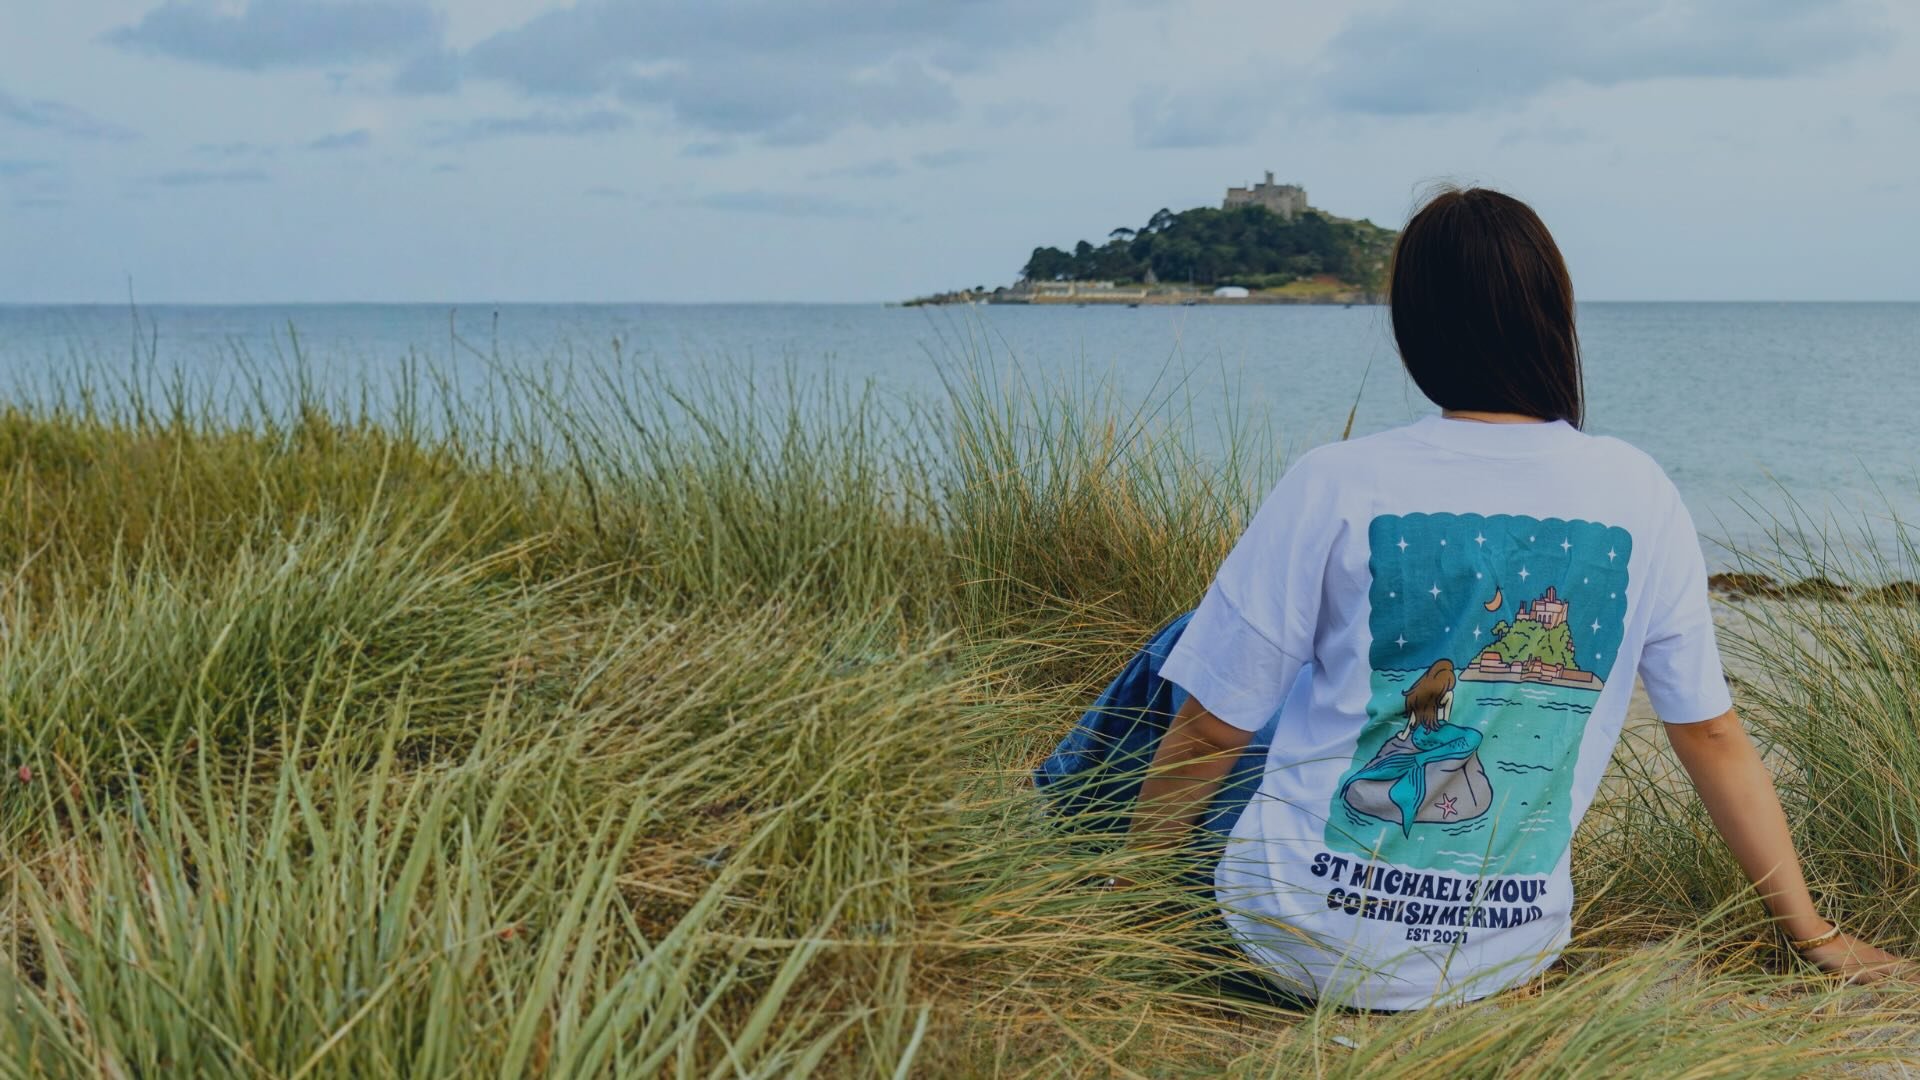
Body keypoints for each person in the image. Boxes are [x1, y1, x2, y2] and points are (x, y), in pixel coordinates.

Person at [1121, 187, 1908, 1010]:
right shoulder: (1639, 492)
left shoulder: (1334, 479)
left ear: (1414, 325)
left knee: (1180, 659)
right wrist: (1815, 936)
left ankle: (1052, 842)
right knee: (1199, 656)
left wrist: (1126, 912)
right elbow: (1710, 731)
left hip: (1292, 943)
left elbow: (1211, 730)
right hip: (1494, 962)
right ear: (1551, 316)